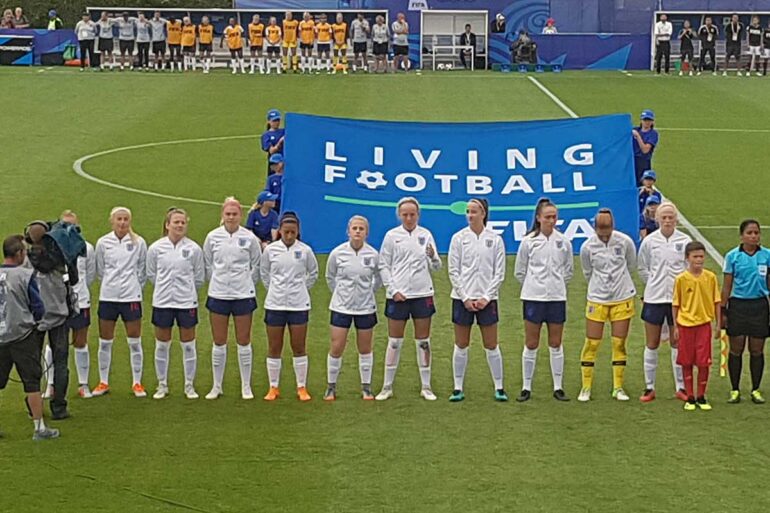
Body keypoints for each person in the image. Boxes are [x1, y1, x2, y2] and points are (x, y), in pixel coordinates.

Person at [376, 197, 442, 401]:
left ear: (418, 215)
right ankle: (387, 387)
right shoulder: (391, 236)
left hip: (422, 294)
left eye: (412, 214)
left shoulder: (426, 234)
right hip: (398, 296)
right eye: (405, 214)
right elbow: (383, 265)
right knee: (394, 342)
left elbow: (437, 266)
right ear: (399, 215)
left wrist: (432, 257)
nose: (409, 218)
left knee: (423, 342)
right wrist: (393, 289)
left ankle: (426, 386)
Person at [0, 235, 59, 441]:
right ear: (18, 254)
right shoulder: (25, 275)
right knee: (32, 382)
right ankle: (39, 427)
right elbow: (38, 307)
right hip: (22, 335)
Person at [448, 199, 507, 402]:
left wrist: (486, 297)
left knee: (491, 344)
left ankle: (499, 387)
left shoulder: (495, 239)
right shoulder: (458, 238)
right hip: (461, 299)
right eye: (467, 211)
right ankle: (457, 387)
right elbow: (453, 271)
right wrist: (465, 297)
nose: (470, 215)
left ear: (483, 213)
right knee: (461, 343)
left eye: (474, 211)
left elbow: (499, 273)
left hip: (487, 301)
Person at [514, 198, 573, 402]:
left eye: (554, 217)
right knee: (531, 343)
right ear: (538, 218)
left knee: (556, 342)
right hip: (533, 298)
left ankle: (558, 386)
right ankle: (526, 387)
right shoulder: (528, 241)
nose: (551, 220)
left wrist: (556, 286)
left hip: (557, 298)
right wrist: (534, 287)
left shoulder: (563, 241)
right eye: (547, 217)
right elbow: (520, 271)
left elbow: (568, 271)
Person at [203, 197, 261, 400]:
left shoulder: (250, 238)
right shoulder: (212, 237)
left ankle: (246, 385)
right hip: (218, 294)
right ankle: (216, 385)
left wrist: (245, 282)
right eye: (228, 214)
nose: (231, 217)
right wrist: (219, 282)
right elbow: (208, 264)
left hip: (243, 294)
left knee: (243, 340)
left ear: (240, 215)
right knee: (219, 341)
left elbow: (257, 265)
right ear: (222, 215)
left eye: (234, 214)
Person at [578, 208, 637, 402]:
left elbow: (631, 264)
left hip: (622, 297)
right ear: (595, 228)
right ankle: (586, 387)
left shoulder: (624, 241)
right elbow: (587, 272)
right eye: (601, 231)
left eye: (608, 230)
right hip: (597, 298)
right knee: (592, 343)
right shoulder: (587, 247)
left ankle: (618, 387)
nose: (604, 234)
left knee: (618, 342)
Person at [146, 208, 205, 400]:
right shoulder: (156, 248)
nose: (179, 225)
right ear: (167, 224)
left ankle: (189, 385)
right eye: (176, 222)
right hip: (163, 302)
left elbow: (199, 277)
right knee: (162, 345)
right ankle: (162, 385)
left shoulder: (194, 249)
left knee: (188, 345)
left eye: (183, 222)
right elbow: (152, 274)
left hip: (186, 302)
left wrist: (186, 291)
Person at [261, 213, 318, 402]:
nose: (289, 235)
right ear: (280, 231)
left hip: (299, 305)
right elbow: (265, 273)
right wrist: (275, 290)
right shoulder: (270, 250)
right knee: (274, 346)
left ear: (298, 232)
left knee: (299, 346)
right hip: (275, 304)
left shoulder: (305, 251)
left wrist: (300, 288)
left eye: (293, 232)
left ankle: (301, 387)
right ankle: (273, 387)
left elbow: (313, 273)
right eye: (286, 232)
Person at [637, 201, 691, 403]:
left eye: (671, 217)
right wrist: (653, 283)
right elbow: (642, 268)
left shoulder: (685, 240)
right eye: (664, 217)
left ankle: (681, 387)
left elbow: (689, 268)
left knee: (677, 343)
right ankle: (649, 387)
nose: (667, 221)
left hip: (678, 301)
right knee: (652, 343)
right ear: (657, 219)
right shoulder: (650, 242)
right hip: (654, 298)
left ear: (676, 219)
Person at [93, 207, 148, 398]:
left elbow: (142, 270)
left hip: (131, 297)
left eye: (126, 219)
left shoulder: (138, 242)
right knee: (105, 341)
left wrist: (133, 288)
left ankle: (137, 382)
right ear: (112, 221)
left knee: (134, 341)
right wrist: (111, 284)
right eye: (119, 219)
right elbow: (100, 270)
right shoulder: (103, 242)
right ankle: (103, 381)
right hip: (108, 297)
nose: (122, 223)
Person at [323, 216, 380, 401]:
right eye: (354, 228)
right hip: (341, 307)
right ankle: (331, 387)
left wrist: (368, 293)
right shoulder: (337, 253)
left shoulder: (373, 255)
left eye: (361, 229)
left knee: (365, 348)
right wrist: (340, 294)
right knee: (337, 346)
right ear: (348, 231)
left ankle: (366, 387)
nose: (357, 231)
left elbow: (378, 278)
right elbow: (330, 276)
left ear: (366, 232)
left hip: (365, 309)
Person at [721, 220, 770, 404]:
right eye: (749, 233)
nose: (754, 236)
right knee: (737, 349)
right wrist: (723, 311)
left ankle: (756, 389)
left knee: (757, 350)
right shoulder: (733, 256)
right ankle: (735, 389)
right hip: (738, 306)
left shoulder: (767, 255)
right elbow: (727, 286)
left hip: (759, 307)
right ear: (741, 235)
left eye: (756, 232)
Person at [673, 242, 721, 411]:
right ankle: (690, 396)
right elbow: (676, 304)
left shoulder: (711, 277)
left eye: (701, 256)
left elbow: (716, 302)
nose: (699, 260)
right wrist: (676, 327)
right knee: (686, 361)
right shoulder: (681, 279)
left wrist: (718, 324)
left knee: (703, 362)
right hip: (685, 325)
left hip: (703, 325)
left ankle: (701, 396)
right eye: (695, 257)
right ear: (687, 258)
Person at [34, 227, 71, 420]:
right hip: (59, 317)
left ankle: (33, 405)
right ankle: (59, 407)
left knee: (32, 364)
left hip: (35, 320)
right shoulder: (60, 260)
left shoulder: (26, 263)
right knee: (61, 363)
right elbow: (72, 281)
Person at [58, 211, 95, 399]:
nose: (68, 229)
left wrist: (79, 291)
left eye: (72, 225)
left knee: (80, 341)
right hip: (58, 303)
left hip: (81, 299)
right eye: (64, 225)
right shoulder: (53, 248)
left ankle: (83, 384)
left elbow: (90, 274)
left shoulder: (86, 248)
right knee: (55, 344)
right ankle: (51, 385)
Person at [631, 110, 658, 185]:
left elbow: (645, 150)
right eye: (645, 120)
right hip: (631, 160)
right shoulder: (635, 129)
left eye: (649, 120)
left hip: (643, 162)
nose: (647, 122)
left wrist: (638, 136)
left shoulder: (653, 134)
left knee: (641, 184)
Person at [261, 109, 285, 175]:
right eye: (274, 121)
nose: (276, 122)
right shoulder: (266, 135)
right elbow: (271, 151)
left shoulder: (284, 131)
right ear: (269, 121)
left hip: (286, 161)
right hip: (275, 163)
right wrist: (280, 142)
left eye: (278, 120)